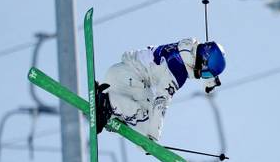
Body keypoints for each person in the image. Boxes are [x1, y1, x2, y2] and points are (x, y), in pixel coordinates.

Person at [95, 38, 226, 141]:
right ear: (203, 61)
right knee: (146, 129)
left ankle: (111, 111)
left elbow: (201, 60)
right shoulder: (178, 71)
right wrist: (153, 137)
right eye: (205, 73)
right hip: (129, 81)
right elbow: (161, 102)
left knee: (142, 113)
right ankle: (109, 103)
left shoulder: (189, 46)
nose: (202, 75)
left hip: (119, 74)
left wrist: (210, 81)